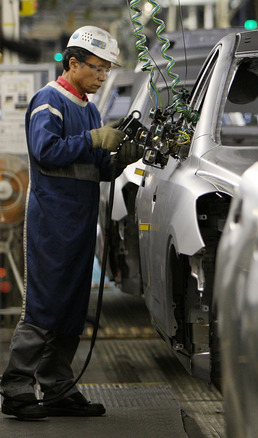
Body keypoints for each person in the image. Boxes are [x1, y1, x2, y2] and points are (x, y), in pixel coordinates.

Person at [0, 25, 143, 420]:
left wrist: (121, 157)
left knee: (71, 307)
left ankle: (57, 386)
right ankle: (15, 388)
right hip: (52, 221)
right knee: (45, 306)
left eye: (107, 70)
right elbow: (45, 150)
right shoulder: (50, 101)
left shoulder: (90, 108)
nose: (102, 77)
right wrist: (95, 140)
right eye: (97, 69)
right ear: (73, 62)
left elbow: (99, 169)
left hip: (79, 222)